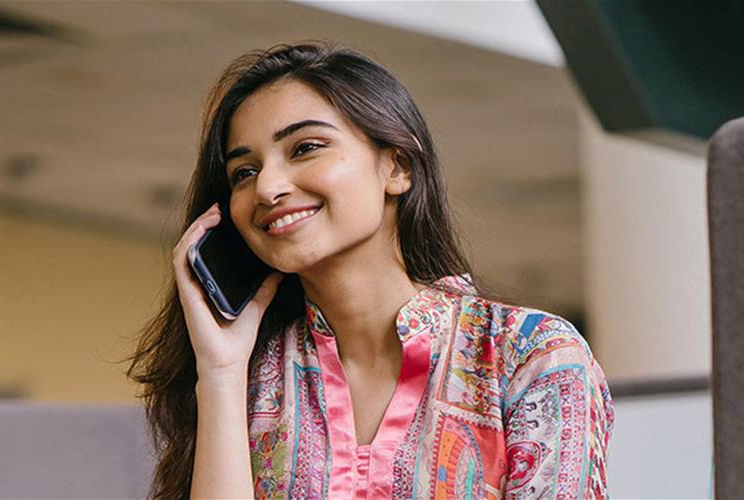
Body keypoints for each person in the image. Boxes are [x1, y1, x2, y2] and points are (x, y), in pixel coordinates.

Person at [126, 42, 613, 499]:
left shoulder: (528, 355)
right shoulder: (252, 377)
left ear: (397, 167)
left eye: (305, 147)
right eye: (243, 173)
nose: (268, 187)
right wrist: (221, 372)